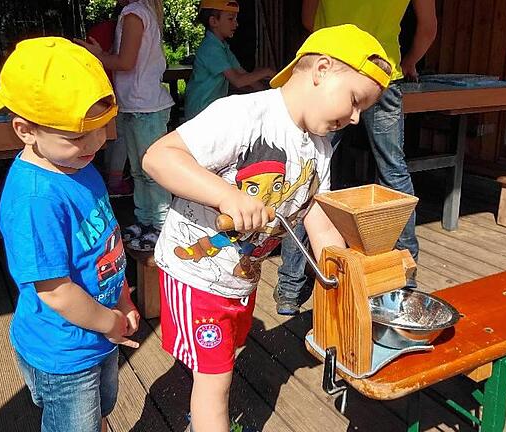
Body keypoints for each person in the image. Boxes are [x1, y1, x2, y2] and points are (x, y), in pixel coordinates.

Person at [142, 24, 393, 432]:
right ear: (322, 70)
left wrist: (339, 263)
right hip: (197, 273)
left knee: (218, 362)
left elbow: (313, 209)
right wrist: (228, 196)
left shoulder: (318, 145)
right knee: (215, 380)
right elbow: (158, 157)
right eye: (353, 101)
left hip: (240, 276)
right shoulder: (242, 115)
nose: (355, 118)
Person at [0, 37, 141, 432]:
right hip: (63, 349)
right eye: (76, 136)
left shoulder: (80, 166)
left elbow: (106, 245)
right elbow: (54, 290)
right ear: (26, 130)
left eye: (100, 128)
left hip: (101, 328)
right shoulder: (34, 199)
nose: (94, 143)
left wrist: (123, 299)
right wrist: (109, 323)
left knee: (103, 405)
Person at [274, 0, 437, 315]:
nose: (354, 118)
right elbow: (427, 29)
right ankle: (405, 275)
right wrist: (409, 62)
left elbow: (308, 18)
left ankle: (290, 288)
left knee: (305, 172)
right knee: (394, 172)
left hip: (336, 71)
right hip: (383, 77)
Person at [77, 0, 175, 252]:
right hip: (137, 105)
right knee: (141, 171)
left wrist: (97, 57)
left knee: (152, 172)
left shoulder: (134, 14)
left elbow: (126, 62)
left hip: (145, 107)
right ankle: (147, 221)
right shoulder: (139, 12)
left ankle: (163, 227)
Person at [184, 0, 276, 120]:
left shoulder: (222, 46)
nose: (236, 24)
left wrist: (268, 93)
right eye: (230, 19)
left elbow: (243, 74)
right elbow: (238, 80)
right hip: (201, 112)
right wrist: (267, 72)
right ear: (213, 21)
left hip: (211, 110)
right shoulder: (211, 48)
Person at [86, 8, 134, 196]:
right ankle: (115, 181)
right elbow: (124, 62)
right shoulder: (120, 28)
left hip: (97, 89)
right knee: (120, 137)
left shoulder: (100, 29)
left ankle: (110, 176)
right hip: (111, 90)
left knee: (107, 135)